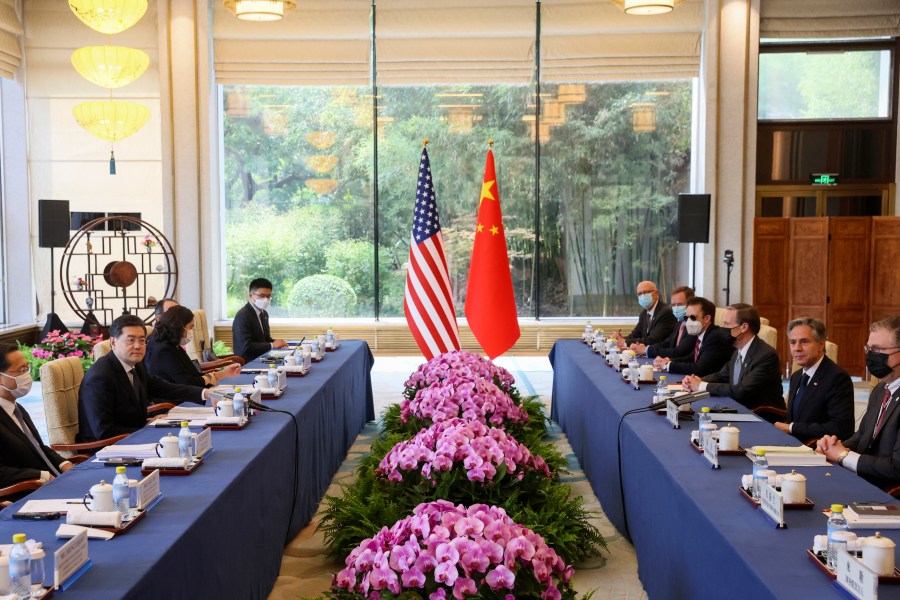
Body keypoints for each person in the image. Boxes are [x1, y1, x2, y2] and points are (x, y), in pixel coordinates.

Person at [78, 314, 209, 444]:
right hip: (106, 449)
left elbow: (164, 388)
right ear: (113, 342)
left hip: (134, 437)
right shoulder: (100, 377)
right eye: (130, 340)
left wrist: (204, 393)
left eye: (142, 340)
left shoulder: (136, 365)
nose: (138, 346)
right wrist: (146, 428)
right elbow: (104, 432)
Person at [816, 316, 900, 487]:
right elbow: (862, 436)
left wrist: (844, 456)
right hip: (863, 480)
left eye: (877, 350)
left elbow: (896, 468)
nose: (870, 356)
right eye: (868, 349)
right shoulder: (881, 389)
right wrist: (832, 448)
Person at [681, 303, 784, 411]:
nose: (722, 328)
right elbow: (721, 376)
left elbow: (741, 390)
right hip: (738, 408)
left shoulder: (766, 356)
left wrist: (701, 386)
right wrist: (696, 380)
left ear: (744, 327)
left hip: (761, 414)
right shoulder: (738, 350)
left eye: (726, 324)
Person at [0, 343, 73, 486]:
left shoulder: (16, 407)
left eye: (27, 368)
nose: (26, 375)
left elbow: (36, 447)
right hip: (25, 493)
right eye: (21, 370)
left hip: (54, 482)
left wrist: (63, 463)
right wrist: (41, 475)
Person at [774, 318, 853, 441]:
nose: (797, 348)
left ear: (821, 344)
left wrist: (792, 428)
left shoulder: (837, 378)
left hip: (815, 449)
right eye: (793, 342)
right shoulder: (797, 376)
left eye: (804, 342)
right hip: (791, 443)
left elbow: (841, 428)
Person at [145, 306, 241, 387]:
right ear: (178, 327)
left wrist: (221, 374)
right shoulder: (164, 351)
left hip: (187, 395)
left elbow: (194, 375)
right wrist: (216, 376)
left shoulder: (173, 345)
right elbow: (187, 382)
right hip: (174, 403)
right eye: (190, 328)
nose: (191, 332)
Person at [654, 296, 732, 376]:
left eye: (692, 317)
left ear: (707, 319)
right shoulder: (702, 334)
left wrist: (668, 365)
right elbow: (691, 358)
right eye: (686, 317)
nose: (688, 321)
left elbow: (699, 369)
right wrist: (668, 360)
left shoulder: (714, 337)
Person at [631, 285, 696, 359]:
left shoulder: (694, 326)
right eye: (673, 305)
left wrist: (647, 350)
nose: (676, 308)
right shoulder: (680, 323)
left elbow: (679, 352)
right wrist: (647, 348)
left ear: (691, 304)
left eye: (680, 304)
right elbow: (668, 342)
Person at [232, 278, 287, 362]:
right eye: (261, 296)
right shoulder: (243, 315)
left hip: (263, 357)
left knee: (288, 362)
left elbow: (266, 339)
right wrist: (272, 345)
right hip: (247, 362)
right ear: (251, 295)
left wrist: (278, 342)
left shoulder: (264, 314)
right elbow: (246, 347)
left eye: (268, 296)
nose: (266, 299)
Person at [611, 281, 677, 348]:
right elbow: (635, 335)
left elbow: (653, 340)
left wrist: (624, 342)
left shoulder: (666, 312)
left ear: (656, 294)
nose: (642, 296)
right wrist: (620, 339)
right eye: (639, 294)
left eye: (645, 292)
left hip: (661, 355)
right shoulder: (644, 314)